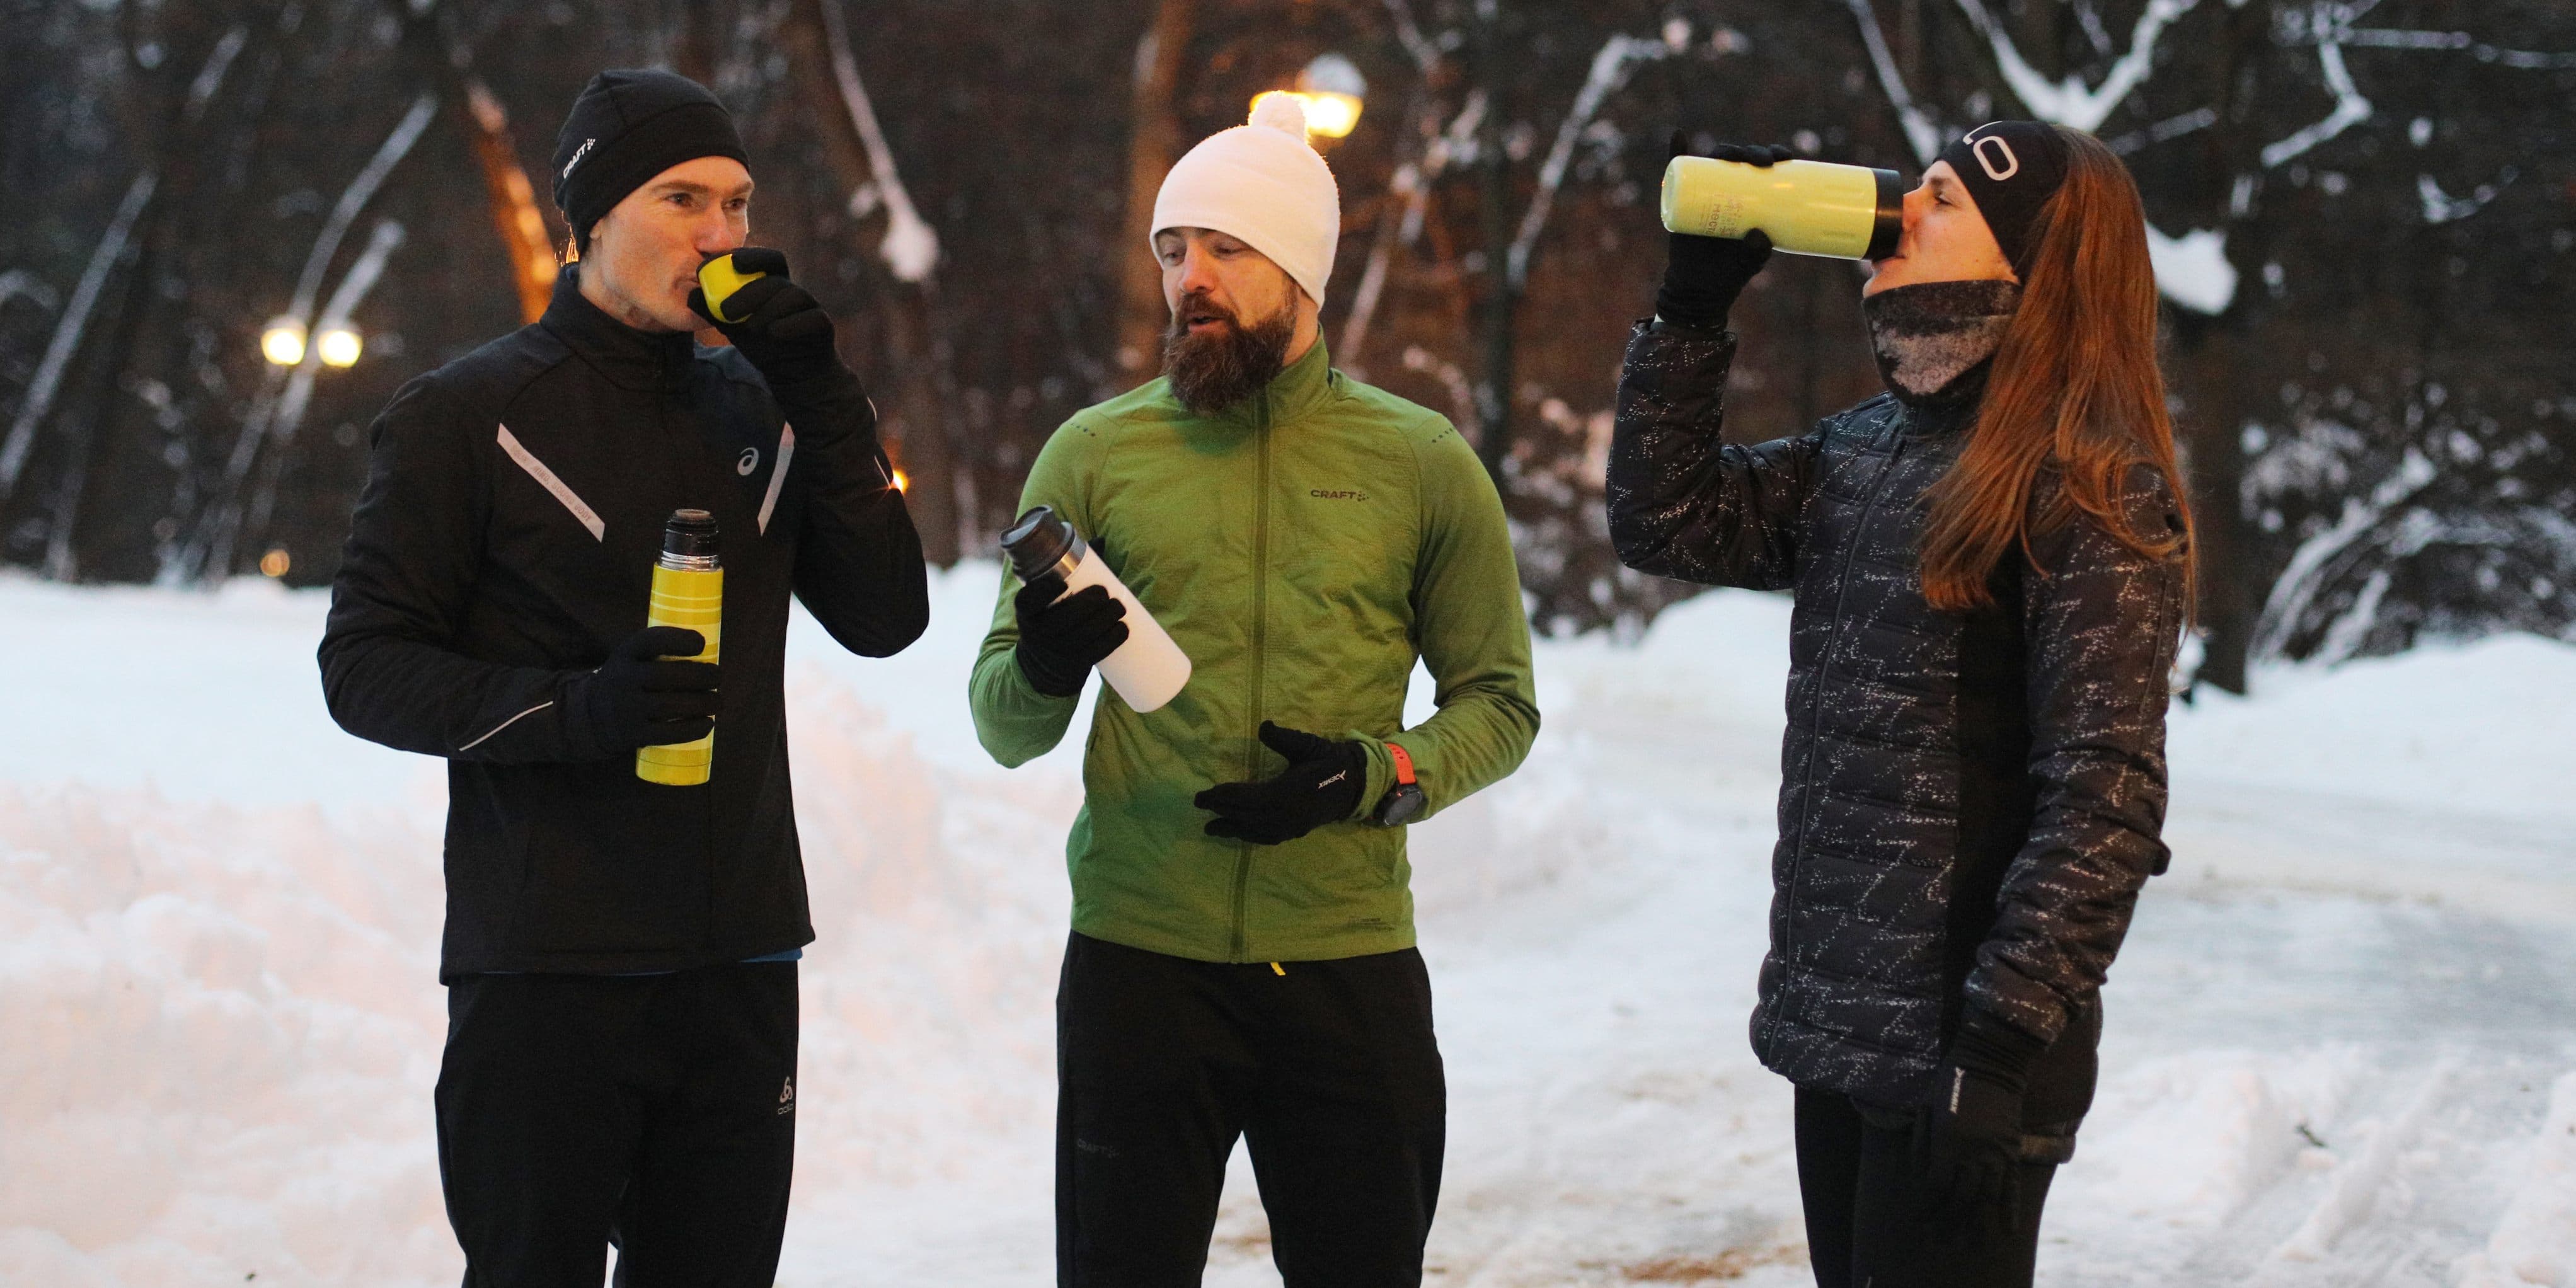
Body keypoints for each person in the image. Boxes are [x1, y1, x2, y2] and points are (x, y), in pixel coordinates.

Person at [318, 68, 927, 1286]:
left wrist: (829, 406)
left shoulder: (769, 407)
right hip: (550, 964)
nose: (722, 235)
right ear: (592, 219)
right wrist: (577, 710)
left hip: (740, 960)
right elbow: (365, 668)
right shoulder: (467, 413)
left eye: (740, 204)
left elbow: (885, 619)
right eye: (682, 198)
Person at [1607, 122, 2194, 1287]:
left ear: (2030, 264)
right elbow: (1664, 519)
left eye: (1939, 198)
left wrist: (1998, 1043)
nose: (1897, 212)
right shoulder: (1868, 450)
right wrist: (1691, 306)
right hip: (1848, 1035)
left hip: (1965, 1059)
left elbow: (2105, 802)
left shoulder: (2088, 484)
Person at [968, 96, 1541, 1287]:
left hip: (1344, 964)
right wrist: (1042, 665)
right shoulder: (1095, 453)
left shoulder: (1421, 462)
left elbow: (1499, 702)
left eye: (1227, 247)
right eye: (1174, 250)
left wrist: (1374, 775)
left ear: (1302, 268)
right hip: (1140, 963)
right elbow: (999, 724)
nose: (1193, 275)